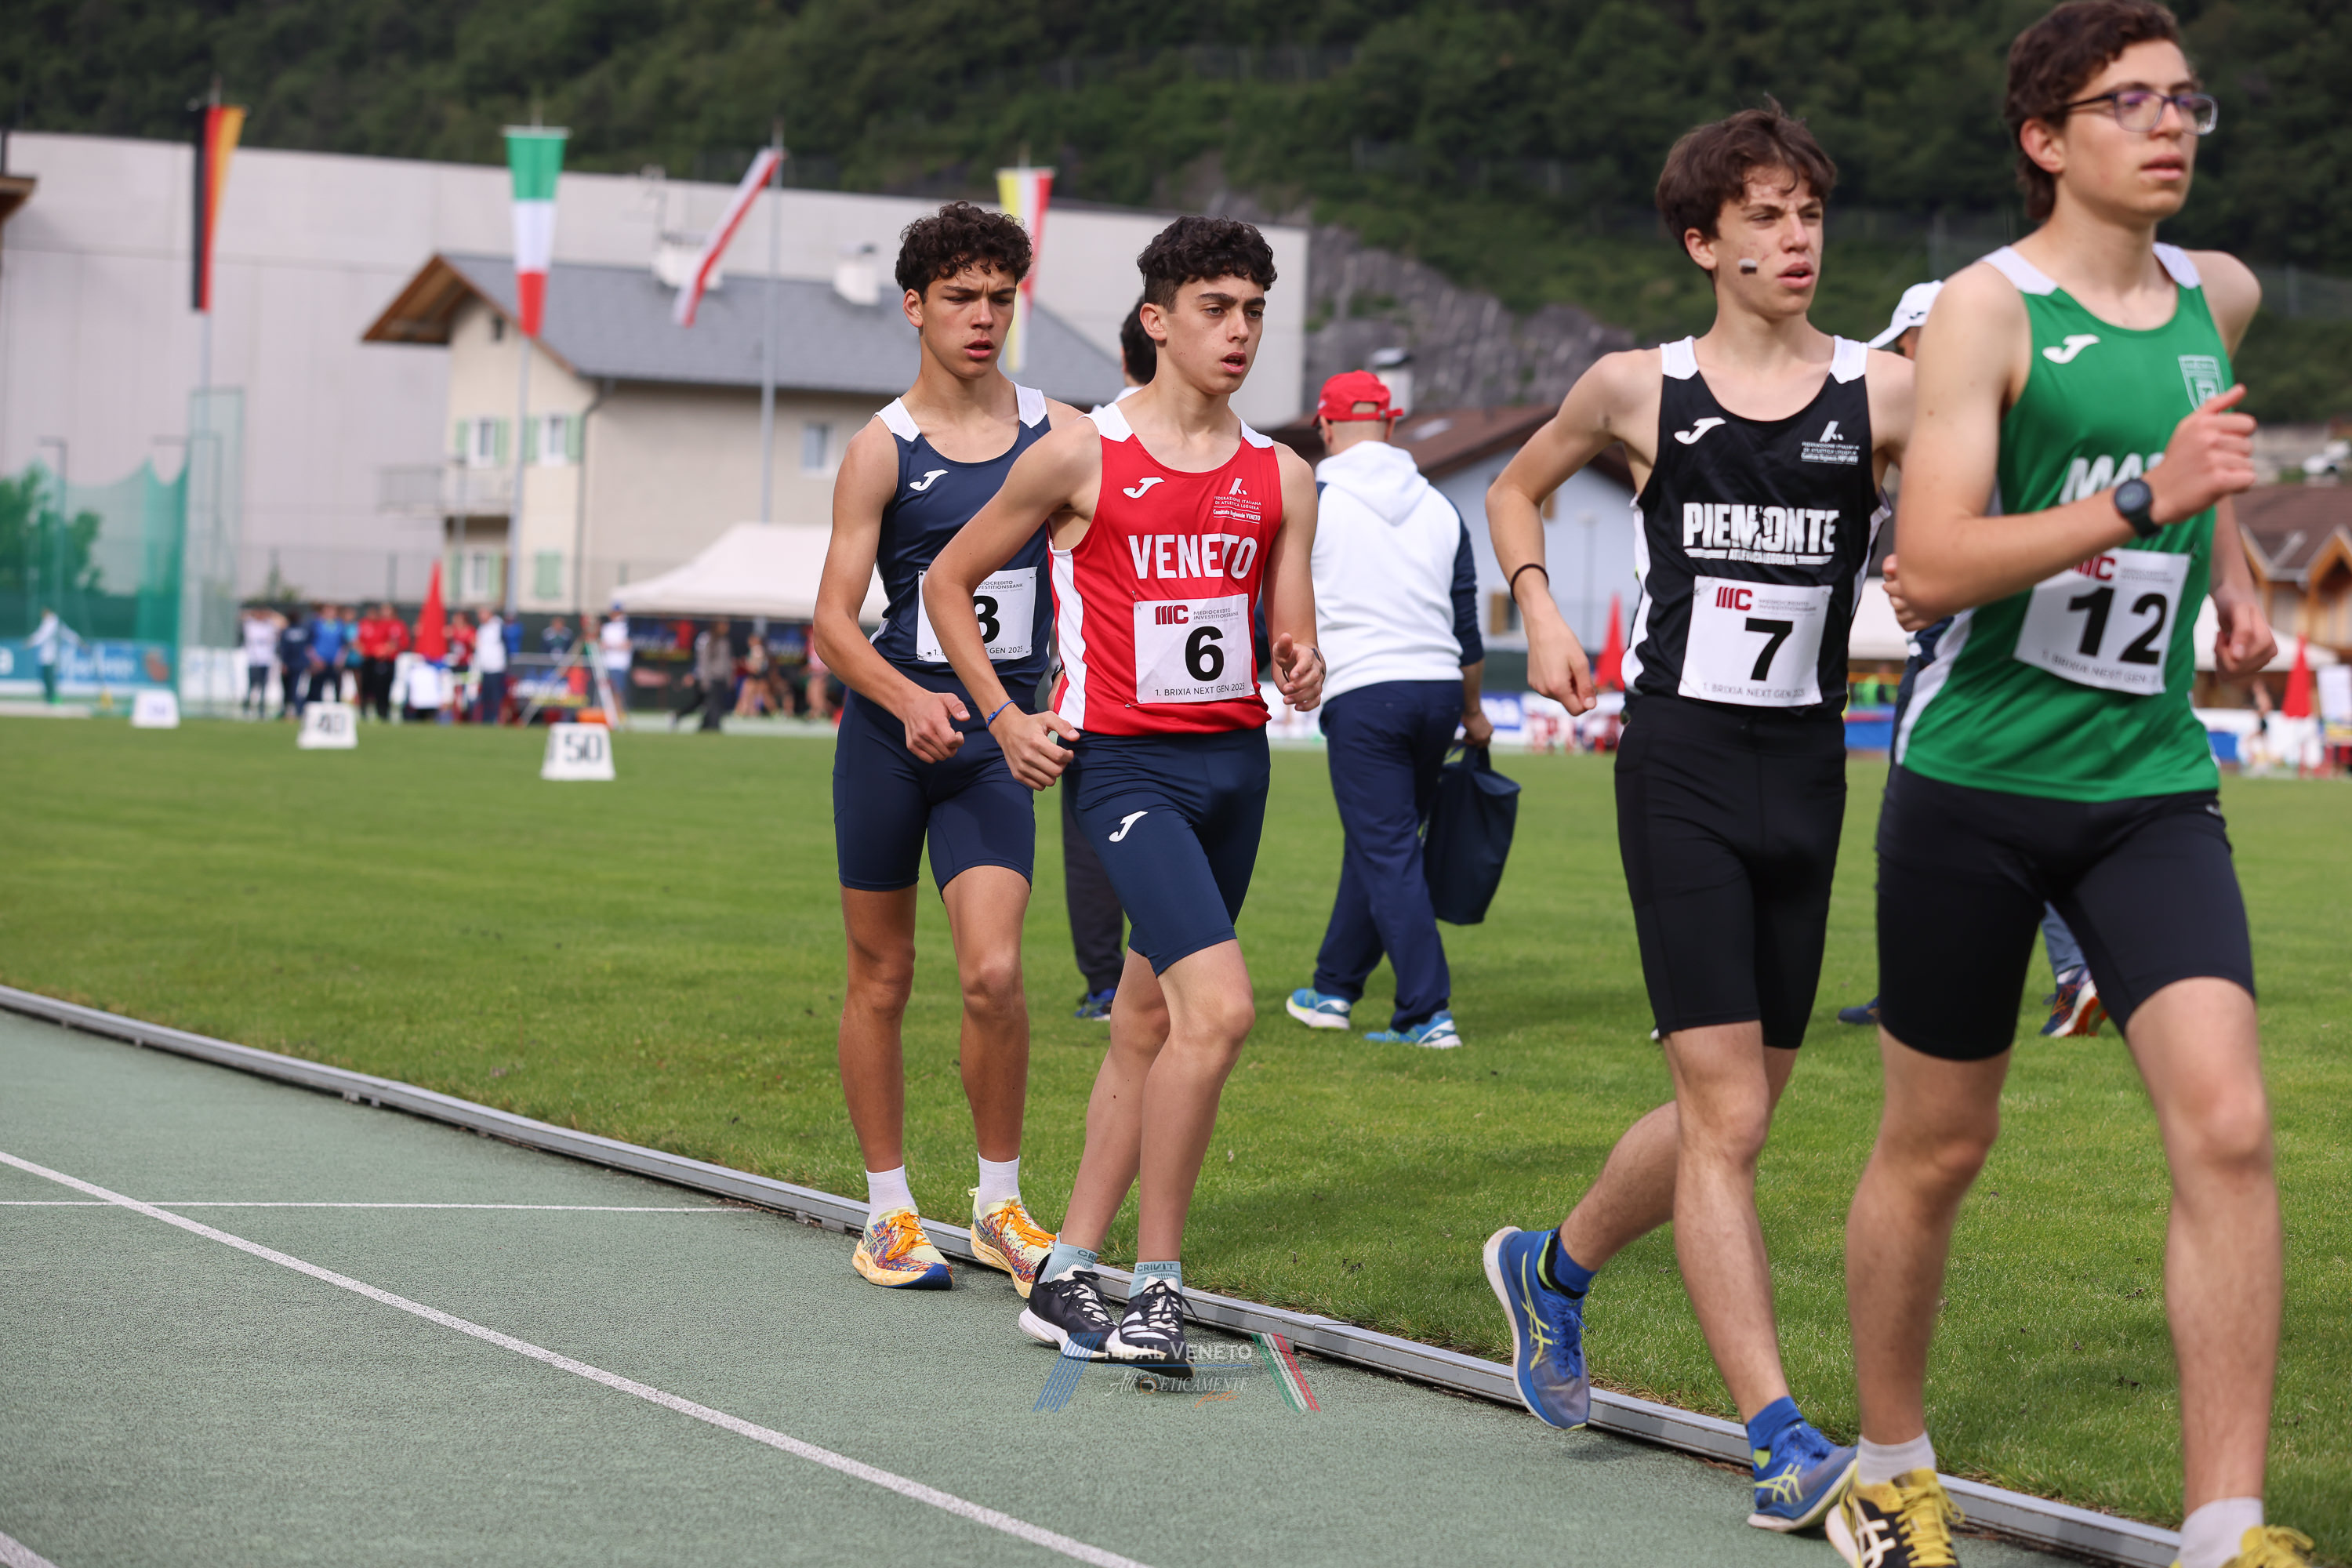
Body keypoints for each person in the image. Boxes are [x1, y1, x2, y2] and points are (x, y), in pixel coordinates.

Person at [1838, 6, 2300, 1566]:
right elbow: (1931, 562)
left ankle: (2224, 1525)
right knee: (1938, 1146)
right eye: (2130, 102)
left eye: (2187, 101)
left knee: (2228, 1125)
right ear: (2045, 137)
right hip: (1974, 783)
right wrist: (2144, 501)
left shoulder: (2218, 297)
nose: (2170, 125)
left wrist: (2227, 559)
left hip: (2151, 786)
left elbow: (2197, 461)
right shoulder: (1988, 311)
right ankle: (1889, 1464)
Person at [1475, 103, 1911, 1534]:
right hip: (1682, 765)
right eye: (1766, 217)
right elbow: (1514, 490)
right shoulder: (1635, 388)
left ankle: (1550, 1269)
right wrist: (1541, 612)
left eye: (1810, 214)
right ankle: (1778, 1439)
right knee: (1724, 1113)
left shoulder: (1885, 395)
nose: (1797, 239)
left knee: (1743, 1111)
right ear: (1702, 241)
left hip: (1810, 767)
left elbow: (1962, 510)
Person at [927, 214, 1323, 1373]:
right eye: (1216, 308)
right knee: (1222, 1013)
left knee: (1149, 1025)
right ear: (1158, 320)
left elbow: (1290, 631)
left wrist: (1300, 661)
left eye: (1255, 311)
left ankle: (1064, 1273)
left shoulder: (1283, 475)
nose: (1240, 331)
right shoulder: (1080, 453)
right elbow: (948, 583)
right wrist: (1005, 716)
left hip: (1236, 768)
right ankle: (1157, 1285)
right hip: (1125, 770)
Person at [810, 201, 1083, 1298]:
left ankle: (998, 1206)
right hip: (889, 739)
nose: (983, 318)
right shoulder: (882, 449)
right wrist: (903, 697)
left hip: (996, 743)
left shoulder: (1064, 436)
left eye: (1000, 299)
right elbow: (832, 623)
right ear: (914, 307)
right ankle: (888, 1212)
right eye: (961, 298)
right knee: (882, 974)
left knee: (996, 974)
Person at [1837, 282, 2105, 1039]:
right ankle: (2077, 973)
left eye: (1907, 345)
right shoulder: (2026, 416)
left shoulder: (1954, 427)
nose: (1902, 361)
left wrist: (1923, 584)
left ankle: (1918, 989)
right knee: (2026, 815)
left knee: (1918, 822)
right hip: (2030, 645)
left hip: (1957, 648)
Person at [1283, 368, 1490, 1047]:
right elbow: (1466, 626)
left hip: (1366, 690)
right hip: (1437, 690)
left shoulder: (1314, 497)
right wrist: (1474, 710)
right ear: (1393, 424)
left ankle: (1427, 1012)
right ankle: (1334, 989)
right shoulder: (1439, 505)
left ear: (1325, 426)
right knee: (1384, 838)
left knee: (1388, 846)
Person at [1064, 300, 1159, 1021]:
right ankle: (1144, 982)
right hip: (1177, 702)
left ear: (1124, 358)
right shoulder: (1086, 443)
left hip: (1102, 697)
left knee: (1094, 847)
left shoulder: (1080, 444)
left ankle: (1108, 984)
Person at [29, 608, 81, 706]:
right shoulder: (48, 622)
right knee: (47, 678)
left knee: (50, 678)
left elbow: (42, 635)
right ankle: (49, 698)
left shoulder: (52, 622)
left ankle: (52, 698)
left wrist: (30, 642)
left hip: (51, 656)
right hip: (46, 656)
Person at [239, 606, 279, 717]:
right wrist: (253, 613)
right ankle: (247, 706)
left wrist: (271, 613)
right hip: (253, 660)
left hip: (266, 660)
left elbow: (283, 622)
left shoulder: (270, 625)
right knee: (251, 686)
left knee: (264, 686)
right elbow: (240, 616)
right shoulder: (251, 624)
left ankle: (261, 708)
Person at [474, 607, 508, 724]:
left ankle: (497, 719)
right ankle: (486, 720)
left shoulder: (498, 626)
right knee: (485, 697)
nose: (480, 617)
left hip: (496, 667)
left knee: (496, 696)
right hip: (485, 668)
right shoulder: (482, 628)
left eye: (483, 614)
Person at [307, 603, 346, 708]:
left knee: (337, 687)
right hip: (319, 662)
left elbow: (343, 645)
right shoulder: (316, 625)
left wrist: (340, 659)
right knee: (316, 689)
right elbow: (309, 644)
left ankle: (337, 708)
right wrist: (315, 659)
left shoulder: (340, 625)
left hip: (334, 662)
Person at [276, 610, 312, 719]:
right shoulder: (304, 631)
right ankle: (296, 710)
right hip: (301, 664)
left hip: (291, 664)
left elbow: (283, 650)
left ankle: (291, 710)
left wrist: (284, 663)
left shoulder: (286, 631)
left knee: (289, 689)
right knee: (298, 689)